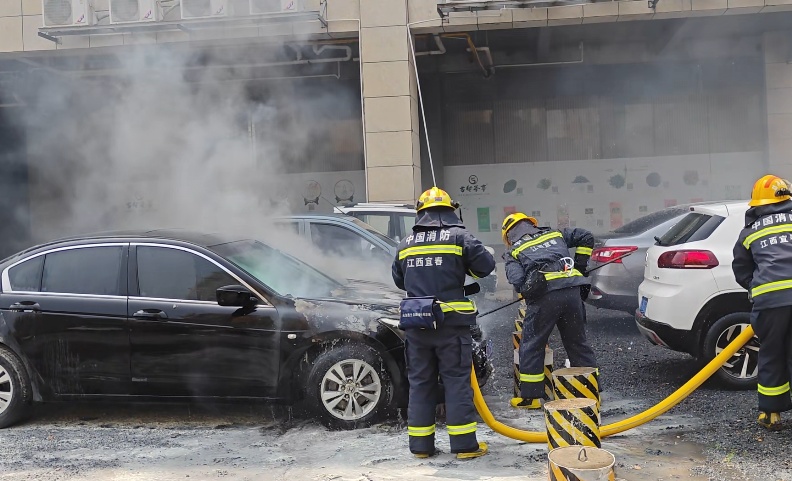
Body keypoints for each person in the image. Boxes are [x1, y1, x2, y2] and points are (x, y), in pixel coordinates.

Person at [392, 187, 495, 460]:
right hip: (451, 327)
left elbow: (400, 281)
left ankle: (421, 447)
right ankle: (464, 446)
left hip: (417, 326)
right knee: (457, 381)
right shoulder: (460, 237)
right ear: (451, 210)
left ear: (420, 212)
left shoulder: (405, 243)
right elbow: (485, 266)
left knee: (421, 382)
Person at [501, 213, 598, 409]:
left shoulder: (514, 251)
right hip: (572, 291)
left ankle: (531, 398)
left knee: (532, 344)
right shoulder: (555, 234)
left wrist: (527, 289)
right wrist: (579, 266)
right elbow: (586, 236)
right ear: (532, 225)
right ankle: (592, 393)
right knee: (577, 342)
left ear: (509, 236)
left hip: (545, 299)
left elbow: (519, 282)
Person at [732, 174, 792, 431]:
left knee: (771, 354)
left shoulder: (750, 232)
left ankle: (771, 414)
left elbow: (741, 269)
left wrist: (755, 288)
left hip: (769, 304)